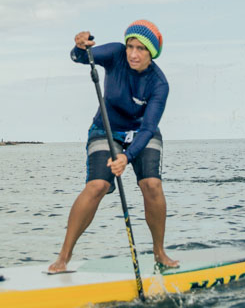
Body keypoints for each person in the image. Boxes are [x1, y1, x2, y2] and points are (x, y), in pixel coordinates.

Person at [48, 20, 179, 274]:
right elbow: (81, 58)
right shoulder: (115, 54)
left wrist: (127, 157)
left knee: (152, 184)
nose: (133, 54)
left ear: (151, 53)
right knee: (97, 186)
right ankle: (63, 257)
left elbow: (148, 128)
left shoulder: (159, 84)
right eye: (130, 46)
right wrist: (79, 47)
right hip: (106, 129)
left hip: (141, 133)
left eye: (141, 49)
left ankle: (159, 252)